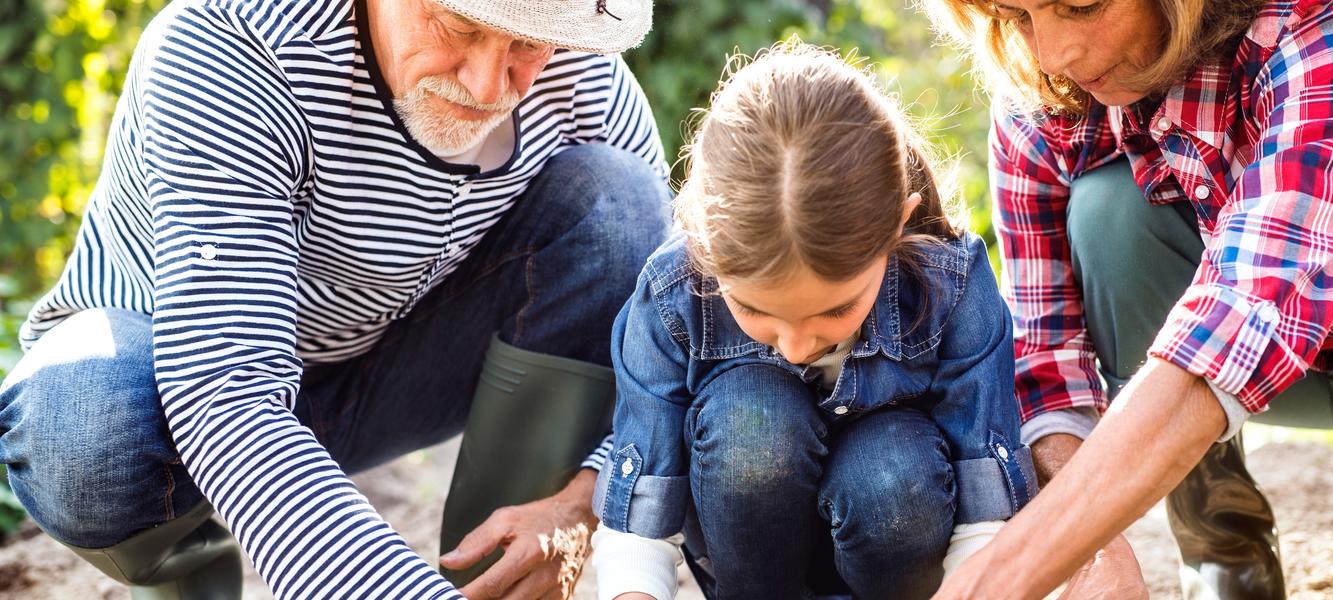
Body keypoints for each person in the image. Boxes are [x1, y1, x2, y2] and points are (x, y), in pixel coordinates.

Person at [0, 0, 671, 597]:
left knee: (620, 204)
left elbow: (676, 344)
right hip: (174, 394)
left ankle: (490, 582)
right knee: (80, 425)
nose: (489, 86)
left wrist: (583, 499)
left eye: (528, 43)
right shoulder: (235, 43)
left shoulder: (588, 85)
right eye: (461, 27)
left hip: (382, 371)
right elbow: (225, 391)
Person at [919, 0, 1333, 598]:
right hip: (1272, 367)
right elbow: (1048, 360)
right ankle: (1223, 544)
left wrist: (995, 583)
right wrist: (1096, 551)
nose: (1052, 52)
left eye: (1081, 6)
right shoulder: (1045, 90)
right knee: (1108, 214)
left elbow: (1244, 307)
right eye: (1019, 16)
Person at [586, 44, 1039, 600]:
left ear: (897, 223)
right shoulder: (673, 294)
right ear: (702, 242)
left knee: (894, 471)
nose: (797, 346)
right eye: (754, 310)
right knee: (750, 422)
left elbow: (985, 505)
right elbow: (640, 515)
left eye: (835, 310)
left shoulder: (953, 285)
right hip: (750, 559)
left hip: (900, 539)